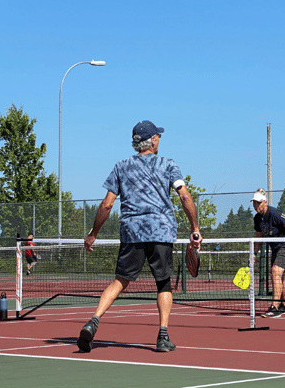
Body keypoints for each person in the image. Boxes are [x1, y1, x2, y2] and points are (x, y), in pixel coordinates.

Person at [77, 120, 202, 353]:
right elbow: (184, 197)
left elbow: (106, 205)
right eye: (159, 136)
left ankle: (93, 321)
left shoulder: (121, 166)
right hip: (161, 232)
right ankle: (163, 337)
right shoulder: (168, 164)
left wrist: (93, 234)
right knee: (163, 284)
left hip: (131, 232)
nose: (160, 140)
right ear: (153, 140)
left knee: (119, 281)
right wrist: (195, 228)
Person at [251, 188, 285, 318]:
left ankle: (274, 307)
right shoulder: (257, 219)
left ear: (265, 202)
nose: (256, 205)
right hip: (274, 248)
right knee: (278, 276)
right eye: (254, 203)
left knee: (276, 271)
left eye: (258, 202)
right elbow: (259, 238)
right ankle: (284, 305)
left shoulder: (275, 213)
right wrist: (253, 254)